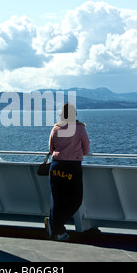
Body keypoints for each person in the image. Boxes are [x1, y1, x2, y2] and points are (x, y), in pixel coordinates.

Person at [44, 103, 90, 241]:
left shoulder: (56, 128)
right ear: (74, 114)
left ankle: (56, 228)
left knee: (57, 200)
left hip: (56, 166)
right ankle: (57, 227)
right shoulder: (80, 128)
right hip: (72, 167)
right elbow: (86, 148)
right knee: (75, 200)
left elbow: (51, 149)